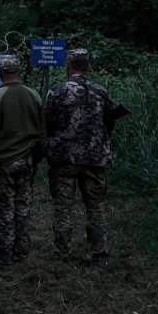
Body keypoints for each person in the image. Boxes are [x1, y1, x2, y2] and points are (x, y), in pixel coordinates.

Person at [45, 48, 116, 264]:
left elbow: (48, 122)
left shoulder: (57, 91)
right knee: (95, 205)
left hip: (64, 158)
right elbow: (109, 122)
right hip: (95, 158)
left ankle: (62, 252)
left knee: (63, 206)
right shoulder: (100, 91)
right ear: (87, 67)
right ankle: (99, 252)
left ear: (68, 66)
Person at [0, 56, 46, 266]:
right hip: (28, 160)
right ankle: (21, 251)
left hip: (4, 160)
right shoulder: (34, 95)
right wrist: (36, 158)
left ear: (0, 74)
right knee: (23, 207)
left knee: (4, 208)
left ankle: (3, 254)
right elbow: (42, 132)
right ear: (20, 72)